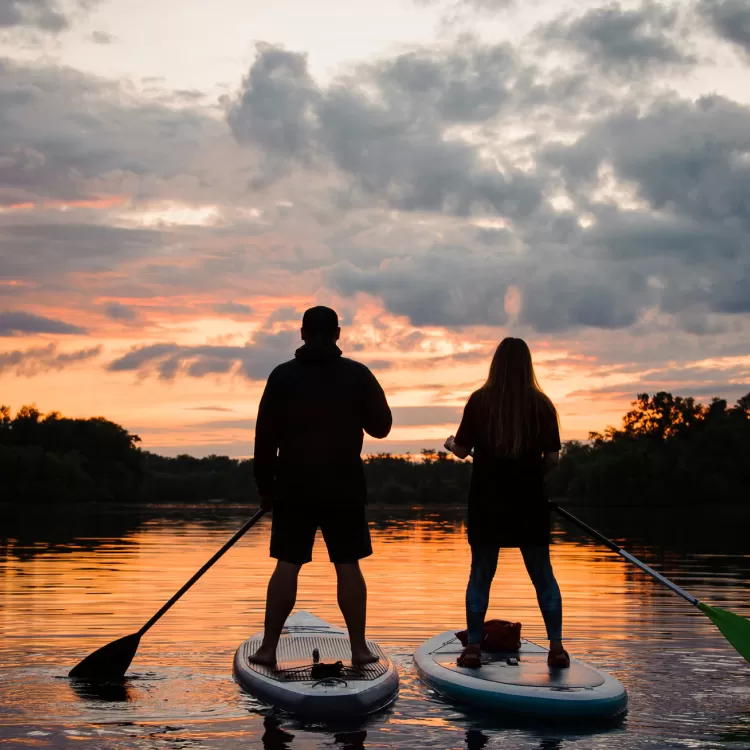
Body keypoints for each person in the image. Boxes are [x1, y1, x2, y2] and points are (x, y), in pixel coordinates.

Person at [250, 306, 392, 667]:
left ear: (302, 334)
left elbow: (264, 439)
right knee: (348, 564)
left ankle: (268, 649)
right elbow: (382, 427)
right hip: (343, 485)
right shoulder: (357, 375)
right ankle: (358, 649)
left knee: (287, 563)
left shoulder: (282, 377)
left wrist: (266, 488)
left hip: (293, 486)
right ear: (338, 334)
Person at [444, 337, 569, 669]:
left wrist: (451, 445)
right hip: (529, 503)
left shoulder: (479, 401)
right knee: (543, 574)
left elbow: (461, 448)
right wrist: (533, 478)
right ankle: (556, 649)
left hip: (487, 503)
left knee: (481, 574)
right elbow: (553, 458)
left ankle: (472, 648)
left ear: (495, 365)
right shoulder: (542, 404)